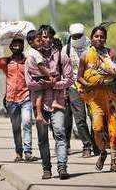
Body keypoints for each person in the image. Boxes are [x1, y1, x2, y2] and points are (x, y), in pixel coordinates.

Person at [77, 25, 116, 172]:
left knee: (114, 128)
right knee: (97, 128)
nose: (99, 39)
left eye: (102, 37)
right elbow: (79, 77)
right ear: (91, 38)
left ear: (105, 39)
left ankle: (113, 163)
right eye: (96, 36)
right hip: (95, 98)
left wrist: (114, 73)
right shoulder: (85, 56)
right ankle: (103, 152)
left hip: (111, 96)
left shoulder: (110, 53)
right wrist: (90, 84)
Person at [25, 25, 74, 180]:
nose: (45, 40)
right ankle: (46, 168)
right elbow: (29, 83)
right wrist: (45, 84)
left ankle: (62, 167)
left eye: (48, 37)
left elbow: (69, 79)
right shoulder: (31, 57)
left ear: (53, 38)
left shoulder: (61, 56)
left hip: (57, 101)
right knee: (42, 138)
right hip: (40, 105)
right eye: (42, 37)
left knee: (60, 133)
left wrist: (55, 84)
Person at [0, 37, 37, 162]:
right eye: (14, 45)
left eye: (19, 45)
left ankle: (28, 152)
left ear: (23, 47)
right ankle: (19, 153)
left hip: (26, 98)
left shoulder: (28, 61)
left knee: (27, 123)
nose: (16, 47)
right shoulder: (6, 62)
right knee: (16, 127)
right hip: (11, 100)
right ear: (10, 47)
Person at [62, 23, 100, 157]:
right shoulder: (65, 49)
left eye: (79, 36)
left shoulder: (91, 46)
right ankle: (87, 146)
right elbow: (63, 70)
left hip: (91, 87)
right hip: (74, 87)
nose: (77, 38)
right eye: (75, 36)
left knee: (95, 116)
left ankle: (97, 144)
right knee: (80, 119)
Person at [26, 30, 62, 124]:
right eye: (39, 40)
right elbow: (41, 67)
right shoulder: (36, 53)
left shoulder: (30, 51)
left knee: (40, 96)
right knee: (39, 97)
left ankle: (41, 113)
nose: (41, 42)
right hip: (39, 77)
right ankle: (39, 115)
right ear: (31, 42)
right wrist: (49, 75)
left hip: (36, 77)